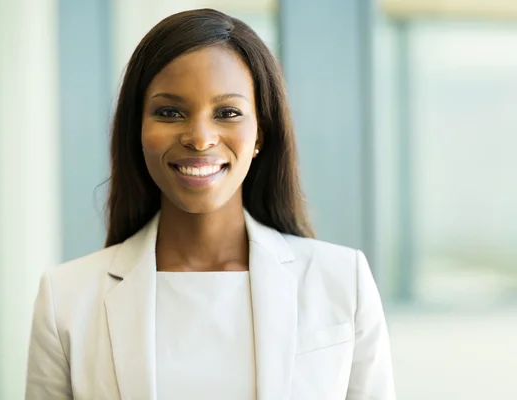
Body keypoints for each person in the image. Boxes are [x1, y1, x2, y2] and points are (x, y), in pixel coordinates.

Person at [25, 8, 395, 400]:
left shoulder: (342, 281)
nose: (200, 138)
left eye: (228, 113)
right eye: (169, 112)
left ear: (260, 134)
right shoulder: (66, 298)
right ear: (137, 130)